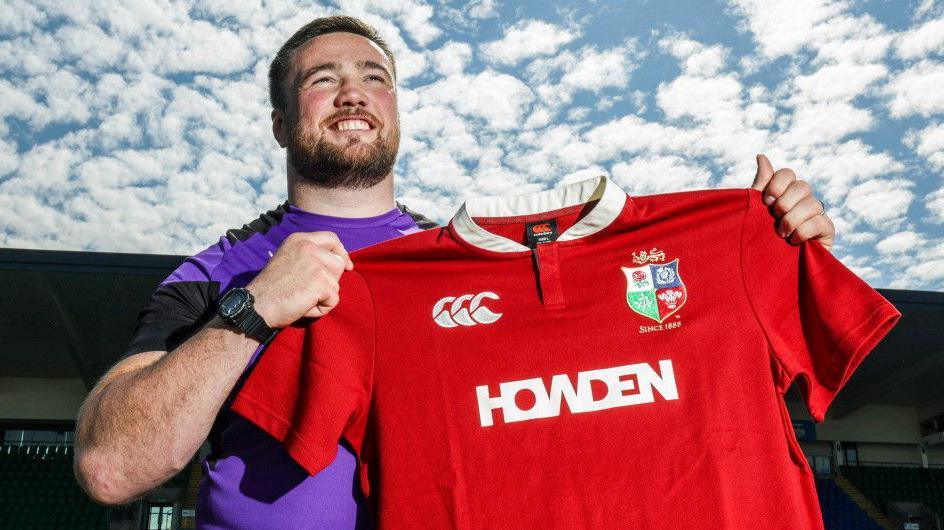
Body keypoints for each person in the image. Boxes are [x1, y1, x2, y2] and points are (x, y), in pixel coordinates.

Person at [73, 15, 837, 529]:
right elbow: (110, 468)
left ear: (396, 109)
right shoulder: (213, 275)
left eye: (374, 78)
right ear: (281, 122)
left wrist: (786, 251)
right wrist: (252, 311)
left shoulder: (462, 266)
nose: (352, 94)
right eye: (322, 79)